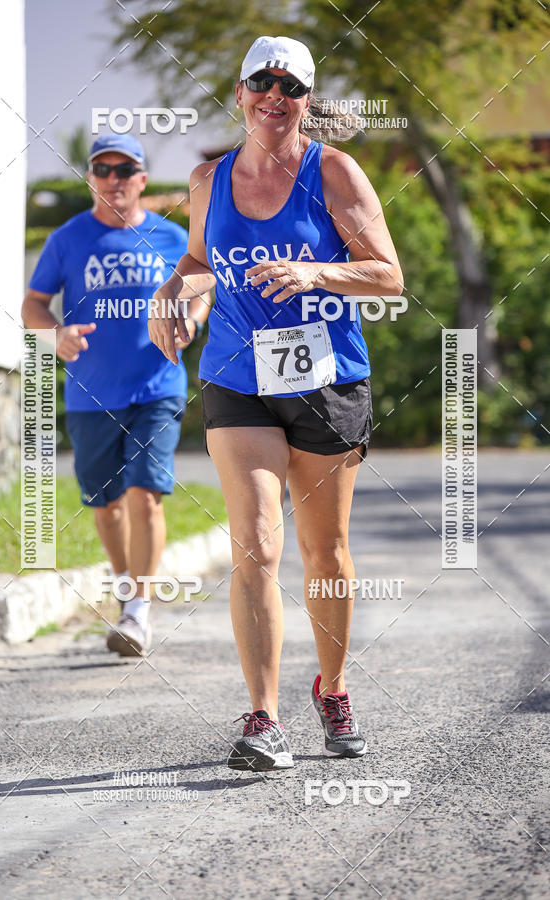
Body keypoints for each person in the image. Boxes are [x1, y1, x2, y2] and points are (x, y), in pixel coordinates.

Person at [149, 36, 403, 770]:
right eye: (262, 81)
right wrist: (177, 288)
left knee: (325, 551)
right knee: (256, 544)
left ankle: (334, 688)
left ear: (304, 101)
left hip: (325, 380)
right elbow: (200, 260)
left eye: (289, 86)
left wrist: (315, 272)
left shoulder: (335, 173)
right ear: (239, 93)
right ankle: (263, 717)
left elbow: (388, 276)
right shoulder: (207, 181)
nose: (274, 94)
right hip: (237, 376)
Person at [22, 132, 209, 657]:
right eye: (103, 169)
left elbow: (203, 287)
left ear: (141, 180)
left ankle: (137, 612)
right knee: (106, 507)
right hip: (90, 393)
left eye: (124, 170)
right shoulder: (67, 238)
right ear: (90, 179)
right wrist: (54, 333)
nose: (114, 179)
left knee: (145, 494)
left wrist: (190, 320)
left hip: (158, 385)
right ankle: (127, 586)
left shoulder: (173, 239)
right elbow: (33, 303)